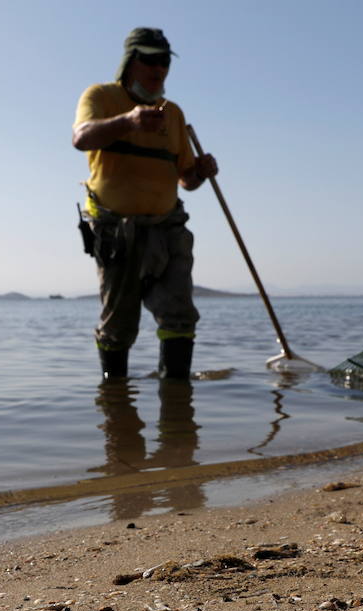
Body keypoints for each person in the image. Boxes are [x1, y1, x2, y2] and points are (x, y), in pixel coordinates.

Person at [72, 27, 218, 381]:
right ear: (129, 62)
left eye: (164, 61)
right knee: (118, 325)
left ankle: (178, 408)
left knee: (179, 315)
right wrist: (128, 121)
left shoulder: (173, 113)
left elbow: (185, 180)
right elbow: (80, 138)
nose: (158, 69)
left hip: (167, 228)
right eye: (149, 60)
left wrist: (201, 171)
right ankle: (115, 400)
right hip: (116, 232)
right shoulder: (101, 96)